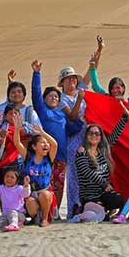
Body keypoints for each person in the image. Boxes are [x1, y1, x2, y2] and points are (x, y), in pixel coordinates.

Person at [31, 60, 83, 217]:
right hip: (45, 155)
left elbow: (74, 128)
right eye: (50, 96)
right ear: (44, 99)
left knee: (59, 185)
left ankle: (55, 212)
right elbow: (36, 92)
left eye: (56, 96)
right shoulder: (42, 110)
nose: (54, 98)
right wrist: (37, 73)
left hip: (61, 155)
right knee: (44, 183)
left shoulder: (62, 115)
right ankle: (43, 211)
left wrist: (84, 119)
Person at [75, 100, 129, 216]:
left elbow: (115, 134)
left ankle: (103, 209)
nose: (94, 135)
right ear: (86, 135)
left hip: (102, 193)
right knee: (99, 216)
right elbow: (86, 172)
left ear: (101, 137)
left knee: (119, 200)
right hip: (89, 195)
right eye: (91, 133)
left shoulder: (103, 151)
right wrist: (104, 184)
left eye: (97, 133)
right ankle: (85, 208)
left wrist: (125, 117)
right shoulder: (82, 152)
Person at [13, 110, 59, 226]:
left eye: (46, 143)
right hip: (31, 192)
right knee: (30, 203)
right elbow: (17, 143)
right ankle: (34, 218)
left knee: (45, 195)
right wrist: (17, 129)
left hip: (45, 192)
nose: (46, 145)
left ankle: (44, 218)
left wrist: (42, 133)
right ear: (34, 147)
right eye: (42, 143)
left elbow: (54, 144)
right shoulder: (28, 157)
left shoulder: (48, 158)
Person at [58, 63, 90, 217]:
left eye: (73, 78)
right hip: (73, 139)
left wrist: (94, 61)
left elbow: (88, 78)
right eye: (68, 79)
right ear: (62, 82)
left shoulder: (79, 92)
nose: (71, 81)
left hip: (88, 137)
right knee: (74, 175)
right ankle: (73, 209)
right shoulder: (61, 99)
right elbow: (72, 116)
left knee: (87, 172)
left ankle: (86, 206)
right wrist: (79, 100)